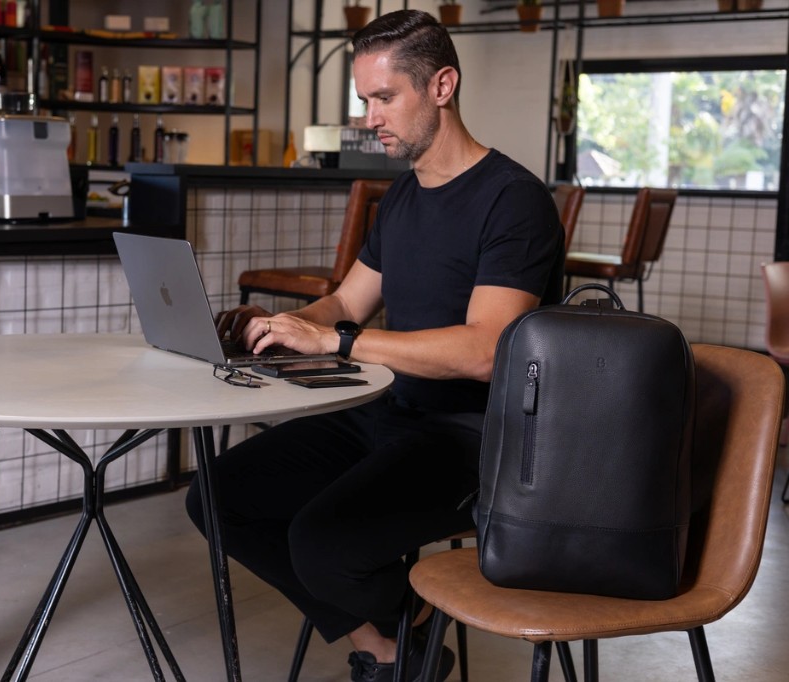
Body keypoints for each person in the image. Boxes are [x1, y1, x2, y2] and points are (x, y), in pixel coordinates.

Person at [186, 9, 565, 682]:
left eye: (383, 97)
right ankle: (392, 644)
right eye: (365, 100)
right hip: (387, 413)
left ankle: (403, 630)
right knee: (215, 496)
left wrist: (339, 340)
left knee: (322, 543)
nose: (369, 117)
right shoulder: (403, 200)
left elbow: (485, 350)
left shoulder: (514, 201)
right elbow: (344, 304)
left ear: (442, 86)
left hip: (475, 437)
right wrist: (281, 326)